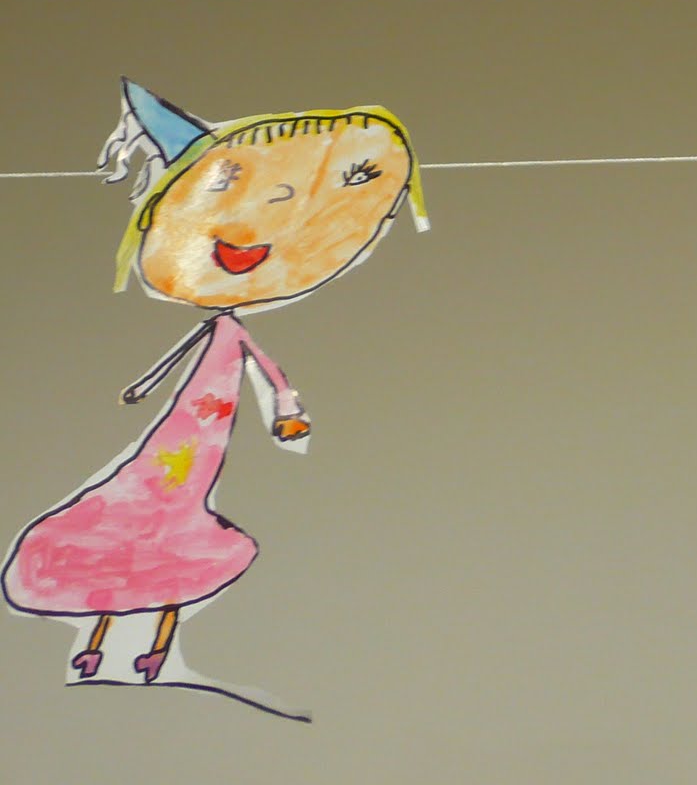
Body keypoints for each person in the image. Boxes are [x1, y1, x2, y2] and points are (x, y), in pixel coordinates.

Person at [2, 80, 426, 690]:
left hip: (196, 451)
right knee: (136, 515)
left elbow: (269, 373)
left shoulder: (233, 330)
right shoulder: (215, 326)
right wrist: (146, 385)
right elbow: (188, 359)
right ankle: (100, 641)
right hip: (168, 455)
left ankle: (150, 645)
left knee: (168, 534)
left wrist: (286, 411)